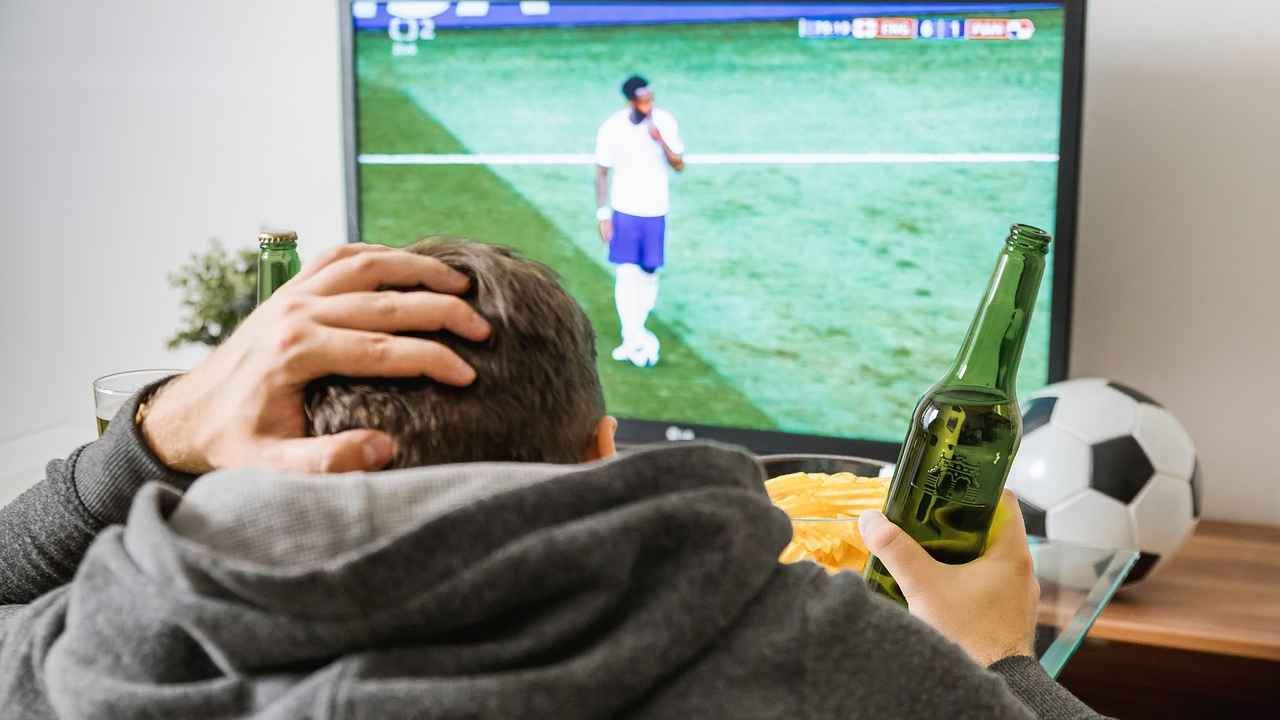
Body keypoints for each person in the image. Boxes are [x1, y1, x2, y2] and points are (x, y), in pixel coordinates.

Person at [0, 240, 1104, 719]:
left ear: (296, 463)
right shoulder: (823, 660)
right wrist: (996, 660)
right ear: (599, 449)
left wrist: (160, 425)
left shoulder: (104, 646)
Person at [594, 74, 684, 368]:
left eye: (651, 98)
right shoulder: (612, 127)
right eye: (644, 99)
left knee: (649, 271)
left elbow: (679, 165)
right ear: (631, 100)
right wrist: (603, 214)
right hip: (625, 210)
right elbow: (601, 172)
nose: (649, 104)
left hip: (656, 210)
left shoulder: (665, 122)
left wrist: (661, 141)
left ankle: (636, 330)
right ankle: (632, 336)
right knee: (626, 272)